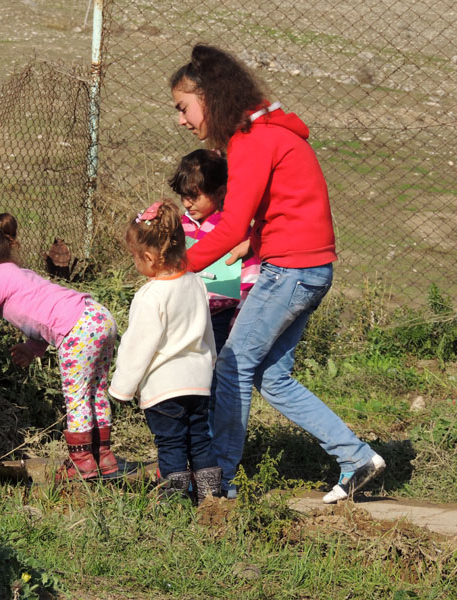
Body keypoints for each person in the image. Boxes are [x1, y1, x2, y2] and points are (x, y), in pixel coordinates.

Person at [170, 44, 385, 503]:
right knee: (271, 376)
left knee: (231, 367)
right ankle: (357, 458)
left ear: (208, 97)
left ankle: (219, 482)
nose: (182, 121)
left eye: (183, 108)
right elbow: (288, 206)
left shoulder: (253, 140)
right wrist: (258, 240)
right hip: (309, 267)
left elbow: (230, 223)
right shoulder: (271, 134)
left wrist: (177, 267)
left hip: (289, 271)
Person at [0, 214, 119, 481]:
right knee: (96, 391)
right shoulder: (19, 273)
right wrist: (32, 348)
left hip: (76, 327)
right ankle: (104, 456)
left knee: (76, 397)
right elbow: (42, 316)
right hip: (98, 317)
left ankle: (82, 463)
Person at [108, 200, 221, 501]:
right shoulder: (196, 283)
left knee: (171, 445)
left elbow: (137, 347)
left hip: (164, 389)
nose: (134, 262)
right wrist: (211, 363)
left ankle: (176, 499)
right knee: (200, 441)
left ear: (148, 257)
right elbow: (207, 330)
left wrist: (121, 388)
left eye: (134, 257)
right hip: (198, 383)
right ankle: (212, 496)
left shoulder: (150, 296)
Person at [168, 149, 260, 429]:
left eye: (194, 196)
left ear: (219, 192)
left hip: (220, 319)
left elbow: (250, 277)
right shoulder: (180, 227)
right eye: (183, 196)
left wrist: (239, 318)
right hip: (186, 318)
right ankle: (190, 437)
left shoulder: (233, 228)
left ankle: (213, 441)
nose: (187, 203)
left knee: (214, 382)